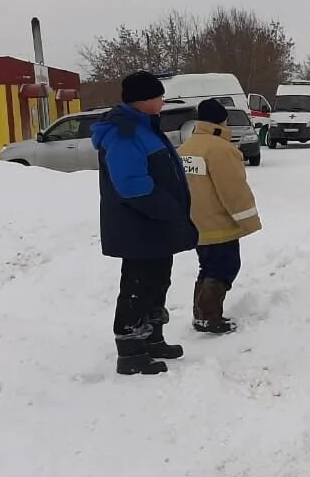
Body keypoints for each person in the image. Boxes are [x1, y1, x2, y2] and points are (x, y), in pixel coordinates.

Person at [91, 70, 198, 375]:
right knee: (138, 285)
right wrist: (169, 209)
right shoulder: (124, 132)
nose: (163, 100)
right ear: (142, 100)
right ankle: (131, 351)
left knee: (158, 280)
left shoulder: (145, 126)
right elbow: (131, 184)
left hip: (155, 224)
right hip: (138, 225)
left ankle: (152, 338)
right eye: (158, 96)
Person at [178, 98, 262, 334]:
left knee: (207, 266)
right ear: (221, 119)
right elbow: (233, 190)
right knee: (224, 267)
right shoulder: (222, 150)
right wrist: (248, 221)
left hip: (195, 224)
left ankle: (201, 312)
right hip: (219, 223)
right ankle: (209, 316)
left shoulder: (186, 148)